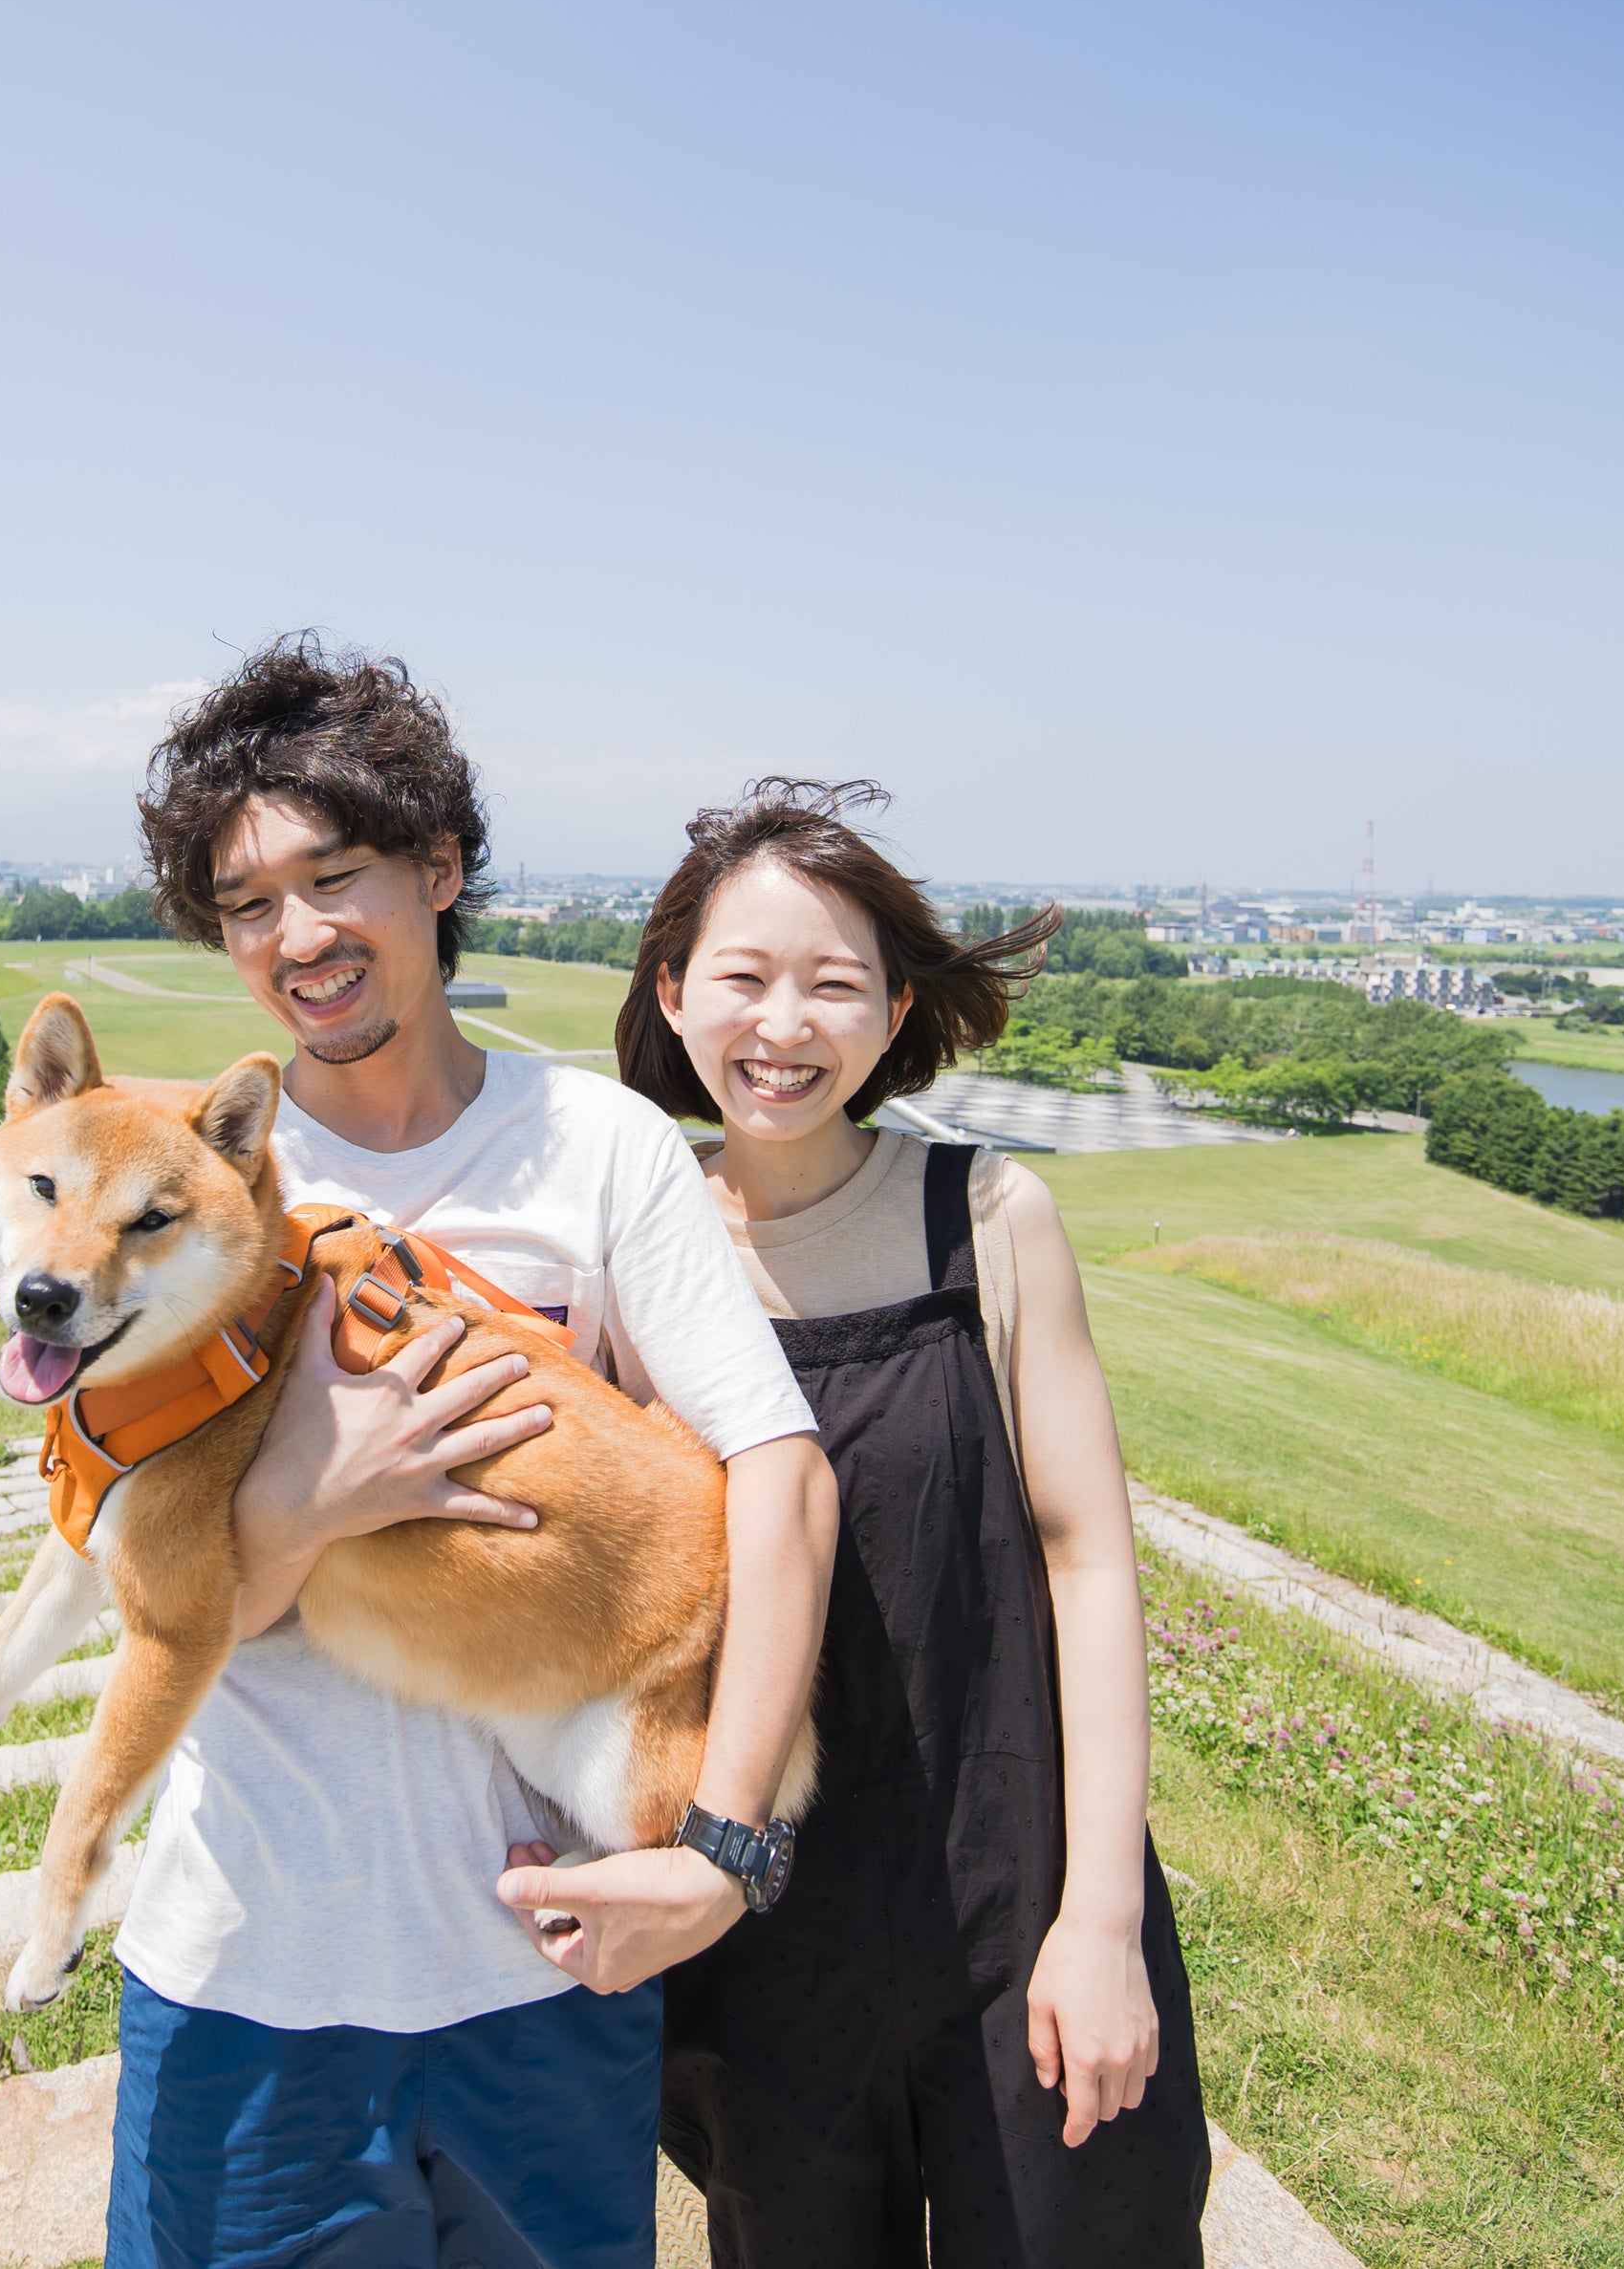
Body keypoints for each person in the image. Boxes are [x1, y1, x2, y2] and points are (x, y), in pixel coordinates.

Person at [101, 636, 839, 2269]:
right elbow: (130, 1572)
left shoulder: (596, 1150)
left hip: (541, 1978)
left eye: (336, 873)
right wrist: (311, 1496)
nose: (298, 937)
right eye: (244, 904)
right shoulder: (171, 1180)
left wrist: (725, 1846)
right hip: (246, 1975)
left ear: (440, 869)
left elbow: (782, 1475)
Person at [619, 780, 1212, 2269]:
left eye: (835, 984)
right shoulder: (640, 1256)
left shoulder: (987, 1216)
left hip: (1012, 1871)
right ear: (675, 994)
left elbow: (1087, 1560)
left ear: (893, 1014)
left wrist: (1101, 1920)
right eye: (745, 978)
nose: (785, 1024)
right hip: (765, 1915)